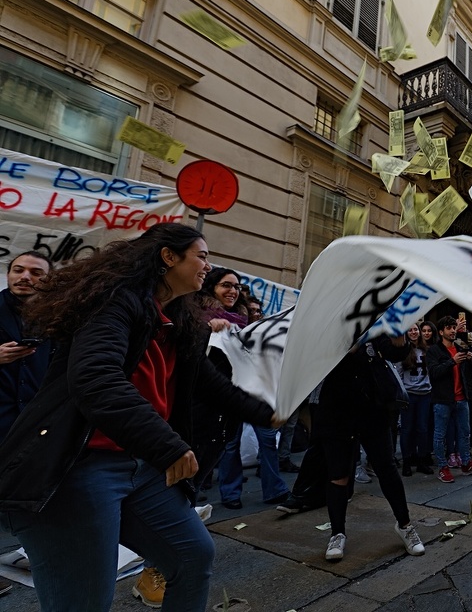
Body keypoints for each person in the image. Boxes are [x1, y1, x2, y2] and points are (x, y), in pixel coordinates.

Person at [0, 223, 281, 612]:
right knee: (82, 601)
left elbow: (208, 382)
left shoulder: (179, 320)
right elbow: (96, 378)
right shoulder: (113, 302)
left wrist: (267, 415)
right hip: (78, 468)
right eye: (201, 256)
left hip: (142, 467)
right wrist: (167, 446)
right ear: (169, 256)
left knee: (192, 556)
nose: (207, 266)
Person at [313, 334, 424, 562]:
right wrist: (342, 348)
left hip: (373, 409)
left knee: (386, 468)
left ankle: (405, 525)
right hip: (336, 411)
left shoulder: (371, 322)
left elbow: (394, 352)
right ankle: (337, 533)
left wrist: (398, 341)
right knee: (338, 475)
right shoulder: (326, 321)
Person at [207, 268, 289, 510]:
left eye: (236, 286)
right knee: (230, 444)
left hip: (254, 394)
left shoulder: (247, 324)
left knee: (267, 441)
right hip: (225, 394)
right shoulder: (203, 319)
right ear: (212, 288)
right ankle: (230, 494)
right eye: (226, 285)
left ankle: (274, 489)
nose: (232, 291)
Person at [0, 251, 53, 442]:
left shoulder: (56, 317)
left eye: (36, 273)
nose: (25, 277)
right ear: (8, 275)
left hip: (33, 423)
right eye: (18, 270)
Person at [426, 316, 472, 483]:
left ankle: (466, 463)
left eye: (454, 327)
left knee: (465, 433)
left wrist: (471, 357)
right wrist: (452, 362)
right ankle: (443, 467)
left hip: (462, 398)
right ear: (441, 332)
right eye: (449, 328)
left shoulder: (460, 346)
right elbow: (434, 373)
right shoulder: (434, 351)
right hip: (443, 399)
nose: (452, 331)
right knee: (440, 435)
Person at [396, 323, 433, 476]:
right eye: (410, 329)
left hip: (425, 394)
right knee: (407, 429)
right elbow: (397, 372)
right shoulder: (403, 351)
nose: (413, 332)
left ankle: (422, 460)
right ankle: (407, 461)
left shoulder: (426, 350)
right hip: (409, 394)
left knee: (423, 429)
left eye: (415, 329)